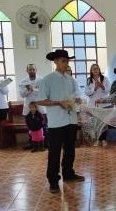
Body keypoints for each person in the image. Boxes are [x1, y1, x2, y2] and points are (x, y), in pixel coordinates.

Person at [37, 49, 85, 193]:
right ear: (56, 62)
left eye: (67, 61)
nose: (66, 64)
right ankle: (53, 180)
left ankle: (68, 173)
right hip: (56, 122)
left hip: (71, 120)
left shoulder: (71, 80)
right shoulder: (47, 79)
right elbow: (41, 100)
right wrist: (59, 103)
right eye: (63, 61)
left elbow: (78, 95)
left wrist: (77, 99)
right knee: (55, 152)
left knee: (70, 150)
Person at [19, 64, 47, 150]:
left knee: (43, 124)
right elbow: (22, 95)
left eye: (33, 69)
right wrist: (28, 90)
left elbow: (44, 92)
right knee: (30, 125)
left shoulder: (41, 79)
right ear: (27, 71)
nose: (32, 71)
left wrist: (34, 89)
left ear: (36, 70)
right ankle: (32, 143)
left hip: (40, 104)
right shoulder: (23, 81)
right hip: (29, 106)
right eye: (30, 70)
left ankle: (44, 143)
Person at [85, 64, 110, 146]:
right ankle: (97, 139)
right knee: (95, 123)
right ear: (91, 70)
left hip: (103, 104)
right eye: (94, 69)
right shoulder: (88, 80)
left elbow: (108, 91)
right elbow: (87, 93)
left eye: (97, 68)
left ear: (99, 70)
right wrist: (95, 88)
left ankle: (104, 140)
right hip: (93, 104)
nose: (95, 70)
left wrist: (102, 86)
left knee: (103, 123)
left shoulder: (105, 79)